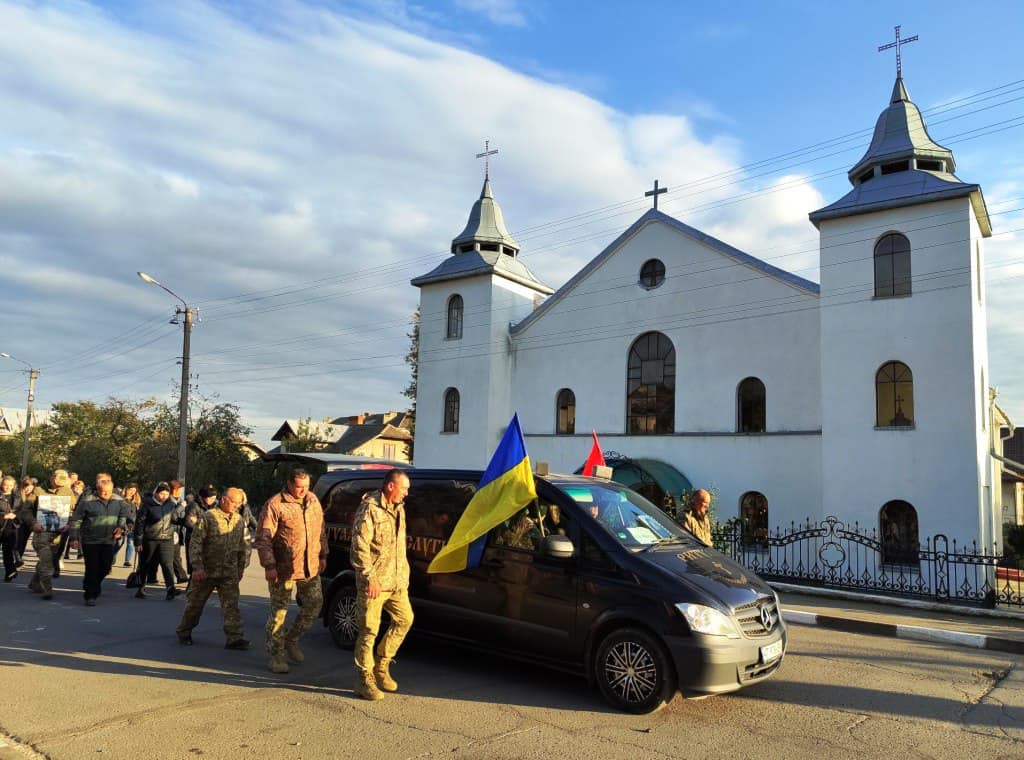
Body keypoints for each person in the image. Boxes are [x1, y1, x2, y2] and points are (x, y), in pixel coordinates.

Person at [255, 468, 327, 675]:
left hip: (310, 566)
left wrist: (323, 555)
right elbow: (263, 538)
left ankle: (291, 640)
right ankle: (276, 654)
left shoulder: (312, 500)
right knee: (279, 613)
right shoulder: (275, 504)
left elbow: (321, 529)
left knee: (314, 604)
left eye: (306, 486)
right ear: (288, 484)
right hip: (283, 568)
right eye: (299, 486)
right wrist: (269, 565)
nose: (303, 490)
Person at [350, 469, 414, 701]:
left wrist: (404, 572)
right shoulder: (369, 509)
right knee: (368, 631)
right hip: (374, 583)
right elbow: (359, 546)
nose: (406, 494)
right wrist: (370, 578)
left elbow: (400, 544)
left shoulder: (399, 509)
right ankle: (364, 679)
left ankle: (382, 665)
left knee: (405, 619)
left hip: (395, 581)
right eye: (404, 488)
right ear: (390, 486)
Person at [176, 487, 251, 650]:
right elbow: (196, 543)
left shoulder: (239, 520)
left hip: (229, 572)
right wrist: (197, 567)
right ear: (224, 500)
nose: (237, 505)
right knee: (195, 604)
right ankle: (184, 631)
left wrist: (241, 568)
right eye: (235, 502)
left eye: (239, 503)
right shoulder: (208, 517)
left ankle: (234, 637)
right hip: (206, 571)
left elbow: (243, 545)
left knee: (232, 606)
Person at [68, 473, 129, 606]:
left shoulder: (119, 501)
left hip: (108, 540)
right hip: (90, 540)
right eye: (103, 492)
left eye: (108, 492)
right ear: (98, 490)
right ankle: (90, 595)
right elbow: (76, 520)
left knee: (106, 568)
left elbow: (123, 517)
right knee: (92, 568)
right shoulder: (88, 501)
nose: (106, 494)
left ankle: (92, 583)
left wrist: (121, 528)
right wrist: (74, 537)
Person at [26, 469, 74, 600]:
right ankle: (47, 589)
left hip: (58, 533)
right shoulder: (38, 491)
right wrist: (33, 523)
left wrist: (69, 523)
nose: (60, 485)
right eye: (57, 482)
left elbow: (74, 511)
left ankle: (35, 583)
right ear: (51, 478)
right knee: (46, 559)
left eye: (62, 483)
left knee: (48, 559)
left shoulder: (68, 491)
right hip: (41, 531)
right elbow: (26, 510)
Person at [134, 482, 186, 600]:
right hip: (150, 539)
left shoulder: (171, 504)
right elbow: (140, 523)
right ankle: (141, 587)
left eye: (166, 494)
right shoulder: (147, 504)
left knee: (167, 564)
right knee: (145, 564)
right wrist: (138, 542)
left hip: (166, 538)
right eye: (162, 493)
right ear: (156, 493)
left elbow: (175, 519)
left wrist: (187, 520)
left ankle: (170, 589)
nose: (164, 496)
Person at [184, 485, 218, 575]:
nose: (213, 500)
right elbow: (188, 522)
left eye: (214, 498)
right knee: (195, 565)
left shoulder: (214, 506)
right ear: (204, 497)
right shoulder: (194, 506)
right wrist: (202, 526)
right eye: (211, 498)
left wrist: (198, 521)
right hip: (193, 538)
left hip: (208, 539)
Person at [169, 480, 189, 583]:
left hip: (178, 532)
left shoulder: (179, 500)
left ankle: (150, 575)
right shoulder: (169, 500)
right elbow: (172, 516)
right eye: (180, 489)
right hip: (170, 531)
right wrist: (181, 507)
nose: (181, 491)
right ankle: (181, 576)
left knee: (176, 555)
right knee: (175, 556)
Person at [14, 476, 38, 566]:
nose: (27, 489)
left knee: (23, 541)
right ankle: (17, 558)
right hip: (17, 521)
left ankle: (19, 558)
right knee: (16, 541)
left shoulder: (35, 497)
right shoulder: (17, 495)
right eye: (25, 486)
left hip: (28, 523)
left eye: (30, 487)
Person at [1, 476, 20, 581]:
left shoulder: (17, 496)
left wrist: (16, 515)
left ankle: (10, 572)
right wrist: (3, 516)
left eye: (10, 485)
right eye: (5, 484)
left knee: (7, 551)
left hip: (11, 527)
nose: (7, 487)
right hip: (1, 524)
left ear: (14, 486)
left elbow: (21, 509)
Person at [119, 483, 141, 567]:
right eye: (130, 490)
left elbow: (138, 513)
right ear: (126, 489)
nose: (132, 492)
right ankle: (111, 557)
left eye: (134, 491)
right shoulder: (121, 500)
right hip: (122, 523)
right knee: (119, 543)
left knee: (130, 542)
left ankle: (127, 560)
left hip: (133, 524)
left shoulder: (136, 501)